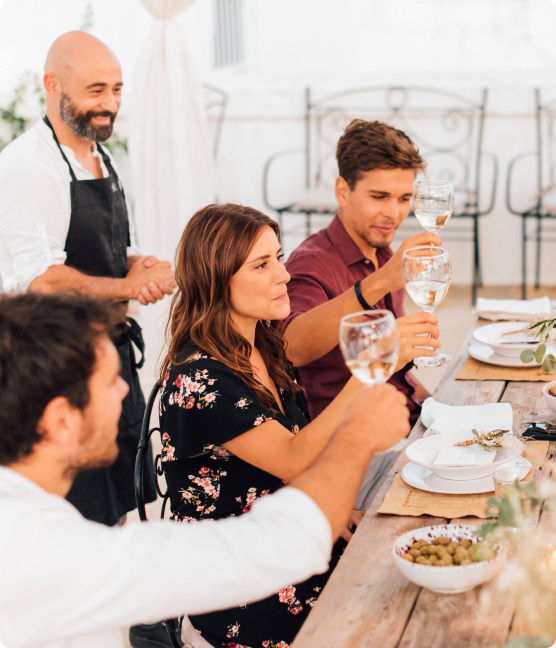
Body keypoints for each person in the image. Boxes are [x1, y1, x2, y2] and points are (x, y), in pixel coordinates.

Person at [0, 292, 410, 648]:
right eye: (110, 383)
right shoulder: (37, 550)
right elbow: (277, 546)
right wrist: (355, 437)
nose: (127, 389)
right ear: (61, 421)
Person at [158, 203, 409, 648]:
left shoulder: (265, 344)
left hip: (286, 539)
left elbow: (293, 462)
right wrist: (372, 368)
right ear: (216, 279)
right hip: (242, 586)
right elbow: (293, 455)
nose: (284, 275)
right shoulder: (198, 376)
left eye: (278, 257)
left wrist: (333, 508)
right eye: (262, 264)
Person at [0, 31, 175, 525]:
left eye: (117, 90)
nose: (110, 103)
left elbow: (116, 248)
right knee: (74, 516)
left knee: (122, 506)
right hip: (56, 372)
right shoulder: (28, 168)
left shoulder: (102, 157)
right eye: (97, 90)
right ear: (52, 85)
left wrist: (142, 266)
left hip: (109, 357)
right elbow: (42, 280)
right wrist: (127, 287)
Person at [284, 119, 443, 424]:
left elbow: (399, 376)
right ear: (343, 192)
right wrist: (378, 283)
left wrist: (438, 410)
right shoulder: (311, 262)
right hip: (353, 437)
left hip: (406, 418)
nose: (394, 213)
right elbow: (291, 347)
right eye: (379, 196)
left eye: (404, 199)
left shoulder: (385, 254)